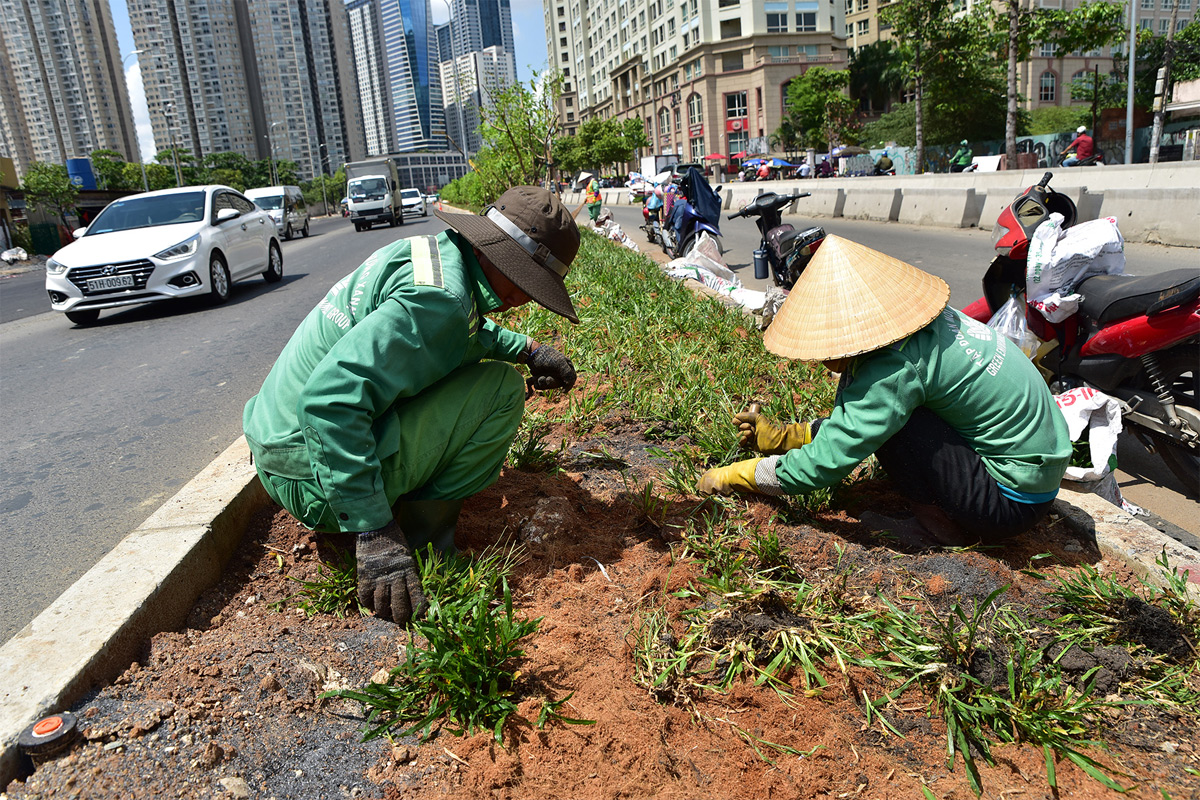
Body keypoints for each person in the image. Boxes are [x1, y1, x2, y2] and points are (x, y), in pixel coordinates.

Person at [243, 186, 582, 625]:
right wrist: (375, 533)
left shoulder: (432, 256)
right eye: (525, 280)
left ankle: (382, 500)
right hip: (311, 480)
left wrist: (528, 349)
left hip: (277, 446)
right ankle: (427, 546)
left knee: (478, 374)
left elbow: (451, 334)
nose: (528, 296)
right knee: (501, 390)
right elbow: (329, 402)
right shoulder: (440, 302)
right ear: (493, 253)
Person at [696, 235, 1070, 548]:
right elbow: (860, 420)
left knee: (899, 427)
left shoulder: (892, 367)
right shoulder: (928, 324)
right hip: (1035, 477)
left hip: (1008, 501)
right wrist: (785, 437)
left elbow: (824, 464)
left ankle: (937, 529)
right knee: (895, 415)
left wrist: (739, 475)